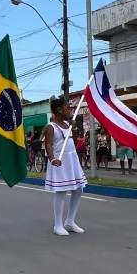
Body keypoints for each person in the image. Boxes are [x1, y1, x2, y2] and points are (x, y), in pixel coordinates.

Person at [44, 96, 87, 236]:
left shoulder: (67, 125)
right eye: (67, 108)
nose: (70, 110)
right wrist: (52, 159)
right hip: (59, 161)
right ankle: (58, 225)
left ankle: (70, 221)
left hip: (72, 160)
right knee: (62, 191)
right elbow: (48, 145)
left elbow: (73, 141)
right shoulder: (51, 127)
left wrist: (73, 127)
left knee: (78, 189)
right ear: (58, 109)